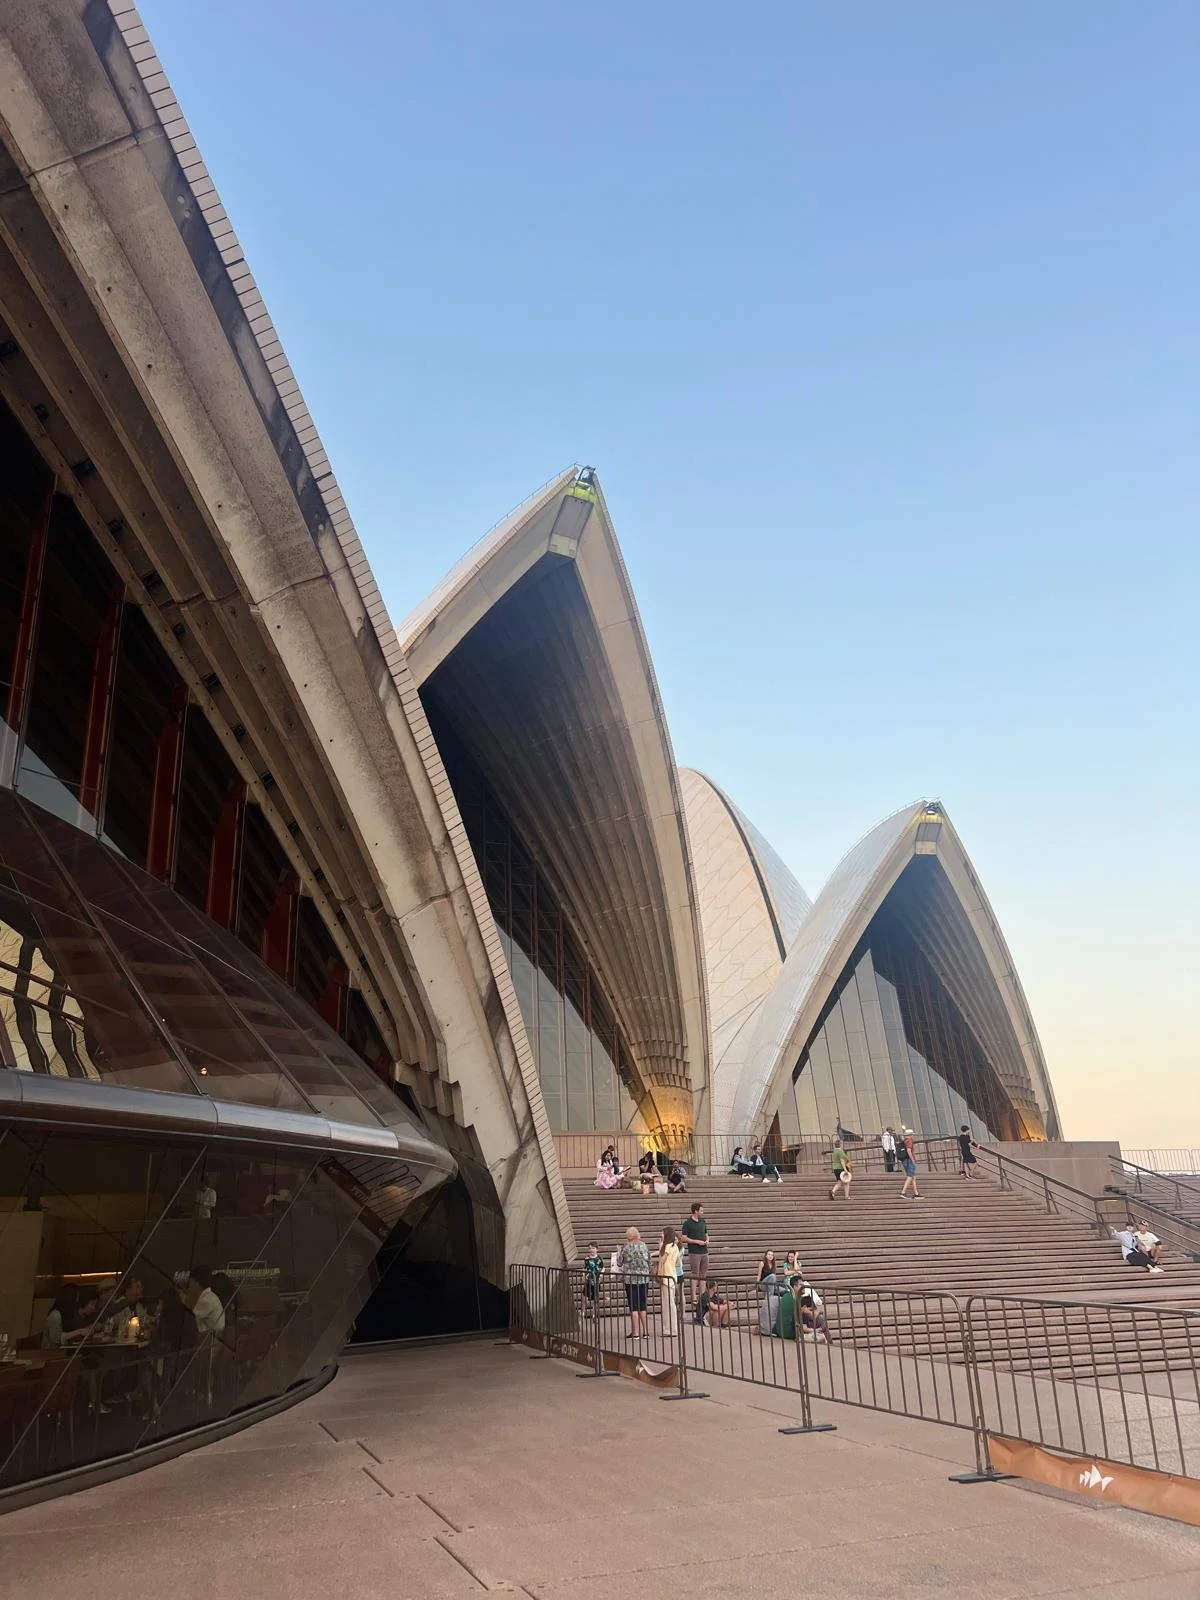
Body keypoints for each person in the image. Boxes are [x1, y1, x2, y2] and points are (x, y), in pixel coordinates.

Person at [617, 1227, 651, 1339]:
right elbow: (649, 1261)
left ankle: (635, 1333)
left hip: (630, 1280)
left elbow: (619, 1262)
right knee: (643, 1305)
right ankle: (646, 1332)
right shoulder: (644, 1246)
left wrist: (618, 1252)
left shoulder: (626, 1247)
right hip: (644, 1279)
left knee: (633, 1306)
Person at [681, 1201, 710, 1305]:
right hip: (694, 1252)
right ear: (695, 1211)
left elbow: (706, 1233)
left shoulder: (703, 1221)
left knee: (703, 1274)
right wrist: (696, 1241)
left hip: (704, 1251)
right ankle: (693, 1296)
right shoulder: (688, 1223)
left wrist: (707, 1240)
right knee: (695, 1274)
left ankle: (702, 1296)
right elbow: (683, 1238)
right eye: (701, 1210)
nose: (703, 1212)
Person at [186, 1266, 227, 1334]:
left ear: (197, 1283)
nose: (189, 1286)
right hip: (210, 1338)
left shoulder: (206, 1300)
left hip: (209, 1341)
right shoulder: (209, 1296)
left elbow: (190, 1321)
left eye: (191, 1282)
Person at [656, 1227, 680, 1337]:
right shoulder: (675, 1247)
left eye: (662, 1233)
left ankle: (669, 1329)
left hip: (666, 1277)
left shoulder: (667, 1246)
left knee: (668, 1304)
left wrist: (660, 1247)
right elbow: (676, 1262)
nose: (661, 1235)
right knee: (670, 1303)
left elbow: (662, 1259)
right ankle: (672, 1328)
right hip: (672, 1275)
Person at [582, 1242, 604, 1313]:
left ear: (597, 1249)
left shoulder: (599, 1258)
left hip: (596, 1280)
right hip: (588, 1280)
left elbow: (602, 1268)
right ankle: (583, 1312)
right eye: (590, 1248)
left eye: (593, 1248)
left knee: (595, 1298)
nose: (591, 1250)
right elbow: (584, 1268)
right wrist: (583, 1275)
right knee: (584, 1297)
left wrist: (601, 1275)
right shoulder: (587, 1259)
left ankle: (594, 1314)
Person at [899, 1129, 921, 1200]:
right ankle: (903, 1192)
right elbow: (909, 1150)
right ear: (910, 1135)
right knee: (910, 1176)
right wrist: (913, 1159)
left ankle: (916, 1193)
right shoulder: (909, 1141)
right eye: (912, 1134)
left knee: (913, 1177)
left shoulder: (904, 1141)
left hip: (904, 1160)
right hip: (909, 1160)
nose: (913, 1136)